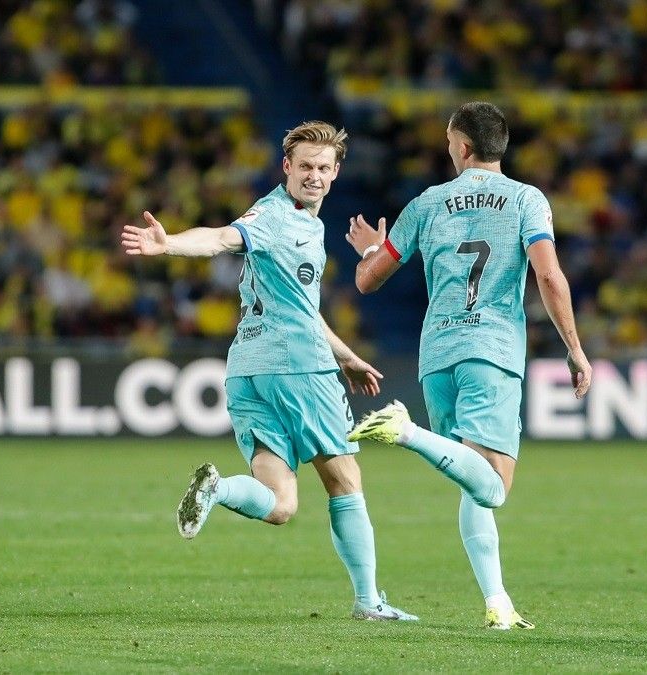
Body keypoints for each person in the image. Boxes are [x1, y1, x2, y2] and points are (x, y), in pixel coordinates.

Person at [120, 120, 417, 621]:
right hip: (298, 369)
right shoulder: (275, 217)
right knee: (345, 482)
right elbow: (219, 238)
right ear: (286, 167)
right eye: (305, 167)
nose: (314, 176)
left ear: (337, 172)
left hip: (246, 371)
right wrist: (168, 244)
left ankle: (220, 489)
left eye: (323, 168)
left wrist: (345, 356)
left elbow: (301, 306)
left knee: (280, 504)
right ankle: (369, 602)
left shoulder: (305, 225)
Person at [343, 101, 591, 629]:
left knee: (472, 477)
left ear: (461, 145)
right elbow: (548, 277)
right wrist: (574, 347)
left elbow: (368, 282)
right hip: (493, 350)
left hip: (437, 355)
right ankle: (404, 431)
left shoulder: (426, 204)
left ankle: (498, 603)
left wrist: (369, 250)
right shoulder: (528, 200)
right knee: (494, 486)